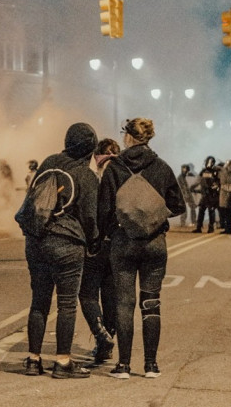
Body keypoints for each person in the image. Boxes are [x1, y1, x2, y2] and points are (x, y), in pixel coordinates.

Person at [98, 118, 185, 379]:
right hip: (155, 243)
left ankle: (123, 365)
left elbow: (103, 209)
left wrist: (112, 229)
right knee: (151, 303)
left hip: (123, 243)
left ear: (129, 137)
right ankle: (151, 365)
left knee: (124, 304)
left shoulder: (115, 168)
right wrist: (154, 216)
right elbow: (179, 206)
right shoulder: (162, 168)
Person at [21, 123, 99, 379]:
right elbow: (89, 217)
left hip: (36, 241)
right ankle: (63, 362)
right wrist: (93, 241)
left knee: (39, 302)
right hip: (66, 243)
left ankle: (33, 360)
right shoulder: (85, 175)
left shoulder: (48, 162)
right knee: (66, 304)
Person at [79, 138, 120, 365]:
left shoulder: (92, 174)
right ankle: (107, 342)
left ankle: (101, 335)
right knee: (111, 294)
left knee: (87, 293)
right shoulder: (125, 173)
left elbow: (89, 211)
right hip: (117, 242)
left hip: (96, 243)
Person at [192, 156, 220, 233]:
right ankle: (199, 227)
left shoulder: (215, 172)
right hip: (204, 194)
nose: (209, 164)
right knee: (202, 210)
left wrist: (215, 187)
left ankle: (211, 228)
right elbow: (198, 180)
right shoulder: (203, 171)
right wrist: (192, 187)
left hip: (212, 194)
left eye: (210, 162)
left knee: (211, 211)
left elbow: (218, 182)